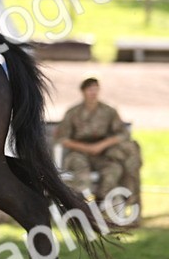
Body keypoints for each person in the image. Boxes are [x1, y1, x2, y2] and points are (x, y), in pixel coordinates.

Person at [54, 77, 142, 223]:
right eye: (90, 89)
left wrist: (102, 145)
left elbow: (122, 133)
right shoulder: (73, 112)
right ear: (83, 92)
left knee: (113, 171)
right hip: (78, 153)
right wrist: (87, 148)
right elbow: (62, 139)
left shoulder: (108, 111)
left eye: (96, 89)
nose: (93, 93)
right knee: (82, 178)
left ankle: (109, 213)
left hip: (103, 154)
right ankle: (81, 213)